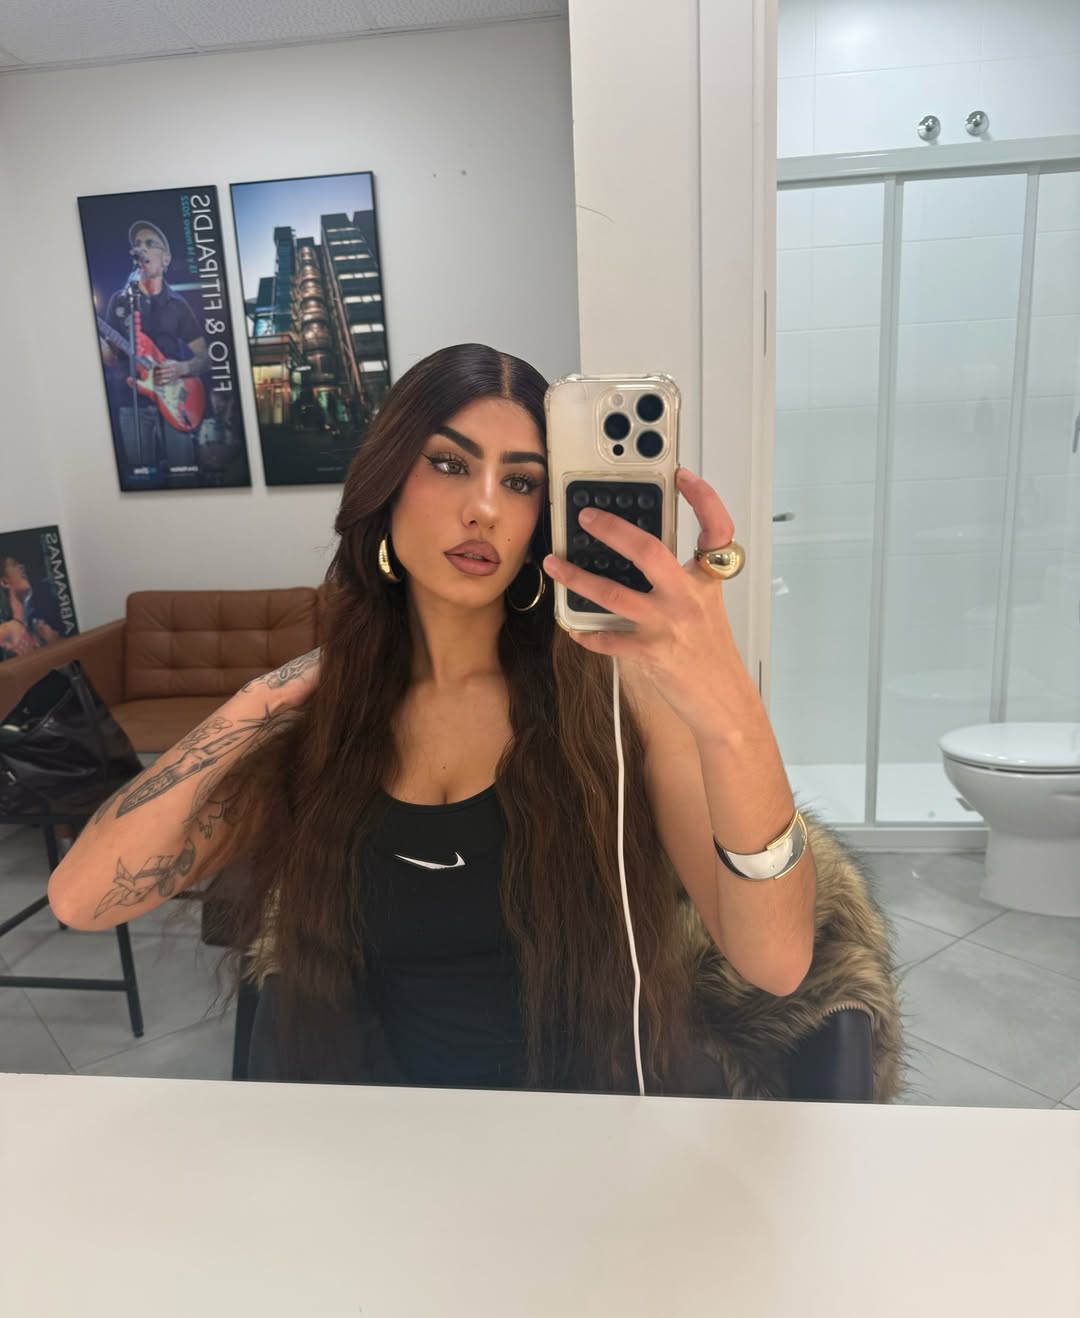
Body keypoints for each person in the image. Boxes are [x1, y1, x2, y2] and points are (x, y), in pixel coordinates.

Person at [47, 343, 818, 1095]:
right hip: (376, 1128)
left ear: (543, 519)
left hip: (578, 1129)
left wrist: (728, 706)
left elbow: (776, 963)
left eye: (521, 483)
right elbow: (83, 898)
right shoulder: (326, 720)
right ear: (387, 483)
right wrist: (263, 697)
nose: (484, 508)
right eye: (449, 464)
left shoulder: (619, 703)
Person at [99, 221, 210, 476]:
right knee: (141, 477)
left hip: (175, 400)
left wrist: (182, 367)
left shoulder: (178, 305)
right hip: (132, 403)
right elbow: (111, 358)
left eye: (150, 244)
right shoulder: (120, 301)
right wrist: (103, 349)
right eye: (138, 244)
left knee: (184, 473)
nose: (142, 248)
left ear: (166, 258)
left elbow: (205, 358)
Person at [0, 555, 61, 659]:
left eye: (20, 564)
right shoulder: (6, 630)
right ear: (4, 582)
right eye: (13, 564)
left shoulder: (37, 627)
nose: (22, 567)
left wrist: (54, 641)